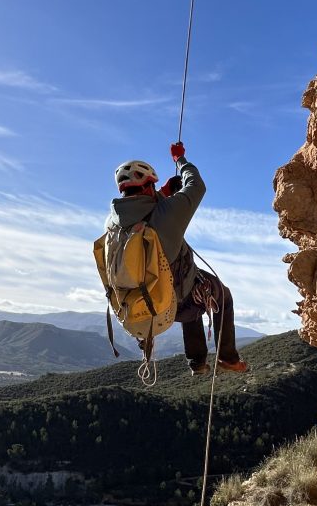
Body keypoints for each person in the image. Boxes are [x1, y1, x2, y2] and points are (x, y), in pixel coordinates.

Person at [106, 142, 249, 377]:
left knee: (190, 287)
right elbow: (196, 186)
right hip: (175, 298)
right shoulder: (168, 213)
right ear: (149, 186)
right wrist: (180, 160)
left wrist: (164, 191)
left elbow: (141, 206)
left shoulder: (113, 222)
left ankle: (197, 363)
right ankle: (228, 357)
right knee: (220, 295)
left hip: (142, 300)